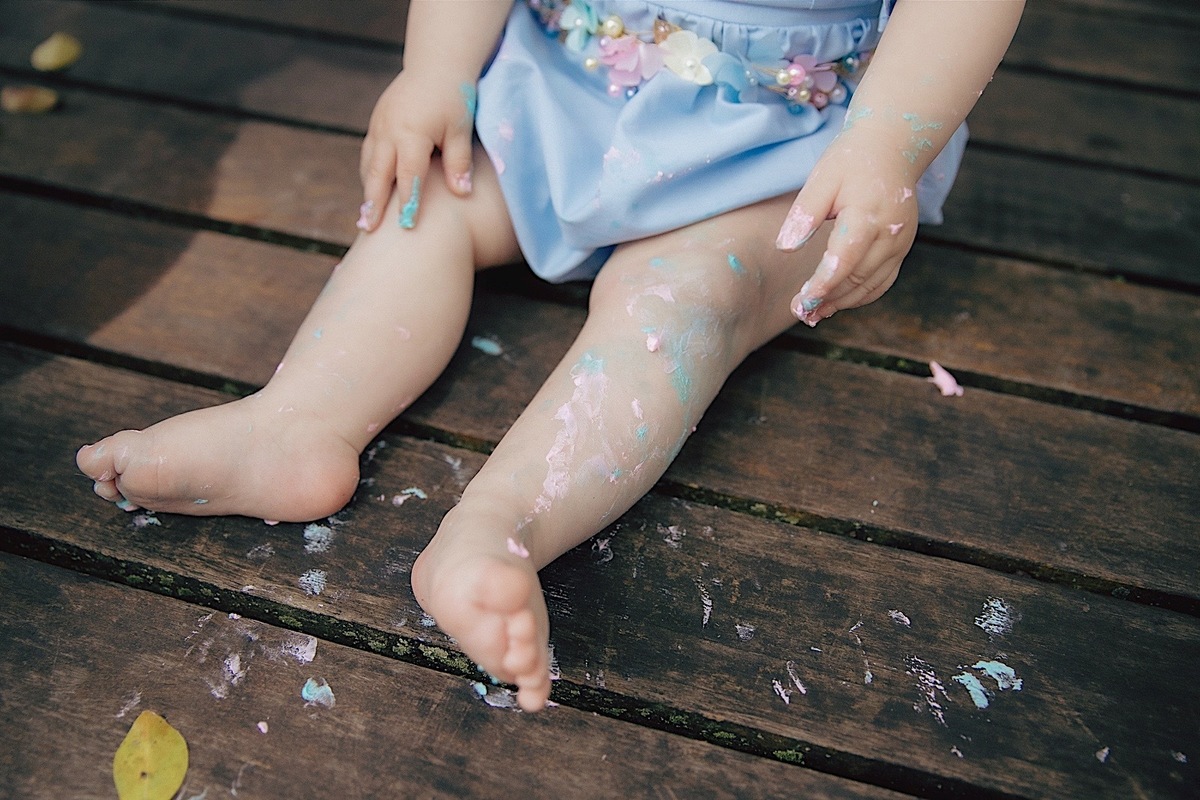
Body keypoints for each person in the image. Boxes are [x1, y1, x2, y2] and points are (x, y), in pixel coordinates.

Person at [77, 0, 1025, 712]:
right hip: (567, 91)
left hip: (786, 147)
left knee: (681, 303)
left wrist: (888, 150)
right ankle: (295, 425)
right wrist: (436, 71)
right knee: (429, 201)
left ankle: (498, 529)